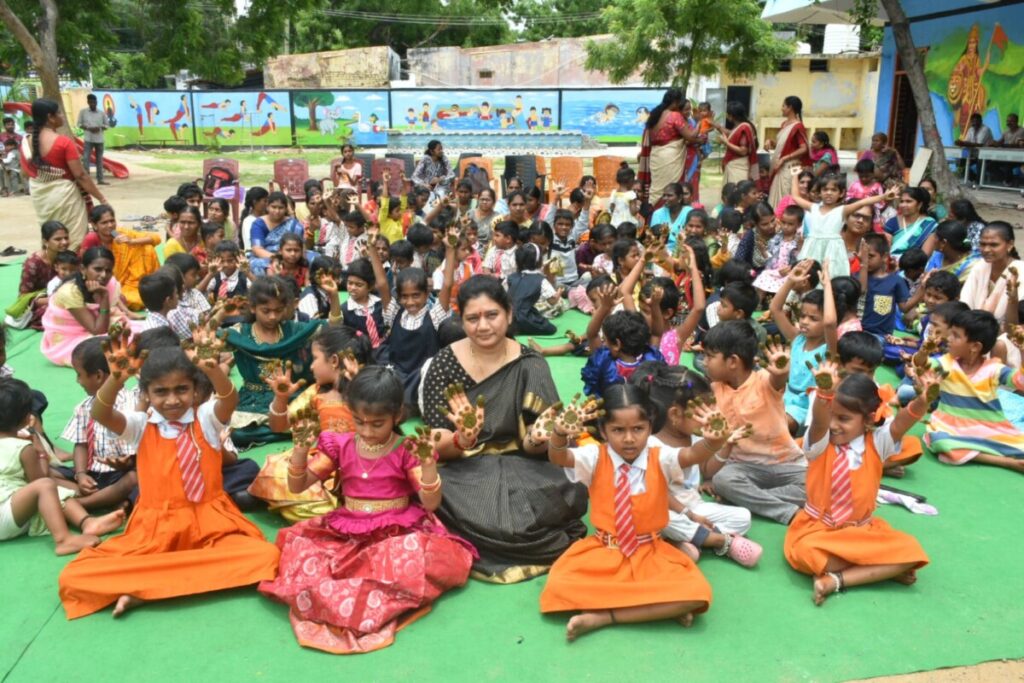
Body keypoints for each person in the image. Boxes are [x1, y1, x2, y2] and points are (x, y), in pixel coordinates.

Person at [57, 328, 280, 619]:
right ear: (146, 394)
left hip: (211, 525)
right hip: (153, 531)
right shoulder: (140, 424)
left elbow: (229, 400)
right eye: (161, 392)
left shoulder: (205, 417)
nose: (172, 400)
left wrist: (211, 369)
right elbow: (101, 413)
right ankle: (161, 584)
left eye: (181, 390)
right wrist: (115, 380)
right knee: (74, 576)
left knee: (266, 557)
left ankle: (144, 587)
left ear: (194, 390)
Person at [258, 367, 477, 654]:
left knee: (410, 554)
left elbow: (430, 504)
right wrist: (300, 450)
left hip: (396, 530)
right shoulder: (340, 444)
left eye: (377, 424)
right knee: (303, 551)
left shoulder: (406, 448)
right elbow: (298, 486)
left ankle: (352, 601)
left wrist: (427, 466)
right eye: (359, 421)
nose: (366, 431)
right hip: (348, 528)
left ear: (397, 416)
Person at [421, 276, 587, 583]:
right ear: (462, 321)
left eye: (492, 315)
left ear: (509, 314)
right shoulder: (444, 363)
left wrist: (538, 436)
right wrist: (462, 438)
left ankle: (493, 535)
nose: (483, 326)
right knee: (434, 491)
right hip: (464, 468)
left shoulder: (531, 363)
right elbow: (434, 439)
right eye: (472, 318)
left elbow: (542, 446)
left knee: (569, 486)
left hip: (525, 464)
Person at [538, 387, 731, 641]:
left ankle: (605, 616)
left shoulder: (661, 457)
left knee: (697, 594)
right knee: (559, 584)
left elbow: (692, 454)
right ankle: (657, 608)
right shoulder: (595, 456)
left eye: (638, 429)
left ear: (650, 428)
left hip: (650, 552)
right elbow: (559, 457)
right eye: (618, 430)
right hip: (604, 551)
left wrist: (714, 441)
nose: (629, 438)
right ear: (604, 430)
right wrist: (560, 433)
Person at [785, 362, 933, 606]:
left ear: (867, 420)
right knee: (806, 553)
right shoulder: (820, 445)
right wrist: (824, 395)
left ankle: (836, 580)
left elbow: (902, 423)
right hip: (817, 530)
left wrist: (923, 399)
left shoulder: (877, 443)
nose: (834, 424)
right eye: (832, 414)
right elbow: (821, 424)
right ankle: (881, 567)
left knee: (912, 549)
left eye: (843, 418)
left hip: (862, 532)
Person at [632, 366, 762, 565]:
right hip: (665, 509)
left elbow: (706, 470)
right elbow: (656, 494)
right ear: (675, 414)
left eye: (712, 406)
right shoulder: (651, 446)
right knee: (660, 516)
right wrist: (688, 514)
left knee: (743, 517)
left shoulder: (693, 436)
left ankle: (685, 539)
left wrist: (727, 445)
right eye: (703, 409)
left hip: (694, 507)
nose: (712, 414)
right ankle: (716, 540)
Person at [248, 325, 369, 519]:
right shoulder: (317, 392)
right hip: (322, 467)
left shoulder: (373, 392)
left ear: (334, 361)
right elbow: (279, 426)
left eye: (315, 359)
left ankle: (332, 512)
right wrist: (280, 399)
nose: (311, 366)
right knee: (274, 471)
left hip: (367, 470)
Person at [0, 377, 124, 554]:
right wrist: (39, 449)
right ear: (26, 417)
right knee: (47, 486)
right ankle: (64, 540)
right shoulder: (23, 447)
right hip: (5, 516)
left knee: (55, 490)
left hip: (10, 510)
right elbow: (40, 478)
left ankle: (89, 523)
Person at [702, 321, 806, 524]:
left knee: (819, 485)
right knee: (723, 480)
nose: (704, 362)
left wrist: (782, 371)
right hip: (742, 470)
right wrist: (708, 478)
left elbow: (777, 380)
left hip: (786, 465)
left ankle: (743, 499)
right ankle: (788, 512)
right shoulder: (714, 390)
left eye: (709, 356)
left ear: (733, 361)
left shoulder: (763, 380)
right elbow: (708, 445)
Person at [226, 277, 340, 446]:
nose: (273, 316)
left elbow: (332, 328)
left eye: (278, 310)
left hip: (290, 395)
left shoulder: (293, 329)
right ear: (253, 308)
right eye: (266, 311)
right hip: (253, 399)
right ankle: (286, 430)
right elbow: (206, 345)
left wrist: (335, 297)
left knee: (321, 416)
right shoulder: (238, 333)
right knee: (238, 435)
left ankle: (278, 429)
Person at [921, 310, 1024, 472]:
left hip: (989, 429)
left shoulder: (994, 369)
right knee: (940, 442)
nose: (948, 338)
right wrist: (924, 351)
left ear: (975, 347)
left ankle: (980, 451)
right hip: (950, 426)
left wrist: (1023, 350)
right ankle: (1007, 462)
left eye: (955, 336)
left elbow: (1021, 382)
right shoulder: (945, 363)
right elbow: (921, 365)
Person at [20, 99, 108, 249]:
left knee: (52, 235)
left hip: (41, 197)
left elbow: (24, 173)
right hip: (64, 196)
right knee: (74, 238)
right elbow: (80, 176)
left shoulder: (26, 141)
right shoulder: (63, 142)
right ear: (50, 117)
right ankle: (71, 269)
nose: (62, 116)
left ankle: (54, 268)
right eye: (59, 113)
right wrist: (101, 198)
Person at [41, 247, 136, 366]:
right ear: (83, 269)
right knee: (103, 346)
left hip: (99, 327)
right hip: (67, 340)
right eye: (98, 269)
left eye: (108, 271)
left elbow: (108, 320)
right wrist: (105, 297)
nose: (103, 275)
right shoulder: (70, 292)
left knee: (136, 334)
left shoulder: (110, 283)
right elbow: (98, 330)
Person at [794, 170, 894, 277]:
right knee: (806, 275)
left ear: (841, 193)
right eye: (825, 189)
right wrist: (794, 175)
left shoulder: (842, 210)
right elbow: (795, 196)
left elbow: (863, 202)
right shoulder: (813, 207)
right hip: (812, 248)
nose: (829, 192)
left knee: (831, 275)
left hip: (832, 251)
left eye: (833, 190)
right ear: (819, 192)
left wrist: (883, 197)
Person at [80, 204, 160, 311]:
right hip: (103, 282)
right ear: (94, 225)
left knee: (147, 248)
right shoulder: (91, 239)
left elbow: (156, 238)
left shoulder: (121, 234)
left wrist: (131, 241)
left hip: (129, 283)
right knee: (123, 298)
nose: (110, 225)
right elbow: (84, 265)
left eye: (112, 221)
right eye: (104, 223)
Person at [637, 89, 705, 210]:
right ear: (676, 102)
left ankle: (653, 216)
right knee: (671, 189)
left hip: (656, 157)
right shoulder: (675, 115)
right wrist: (700, 122)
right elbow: (691, 135)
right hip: (670, 158)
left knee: (657, 190)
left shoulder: (655, 114)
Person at [9, 221, 70, 330]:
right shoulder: (33, 264)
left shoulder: (67, 257)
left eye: (66, 238)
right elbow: (24, 297)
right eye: (58, 239)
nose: (64, 242)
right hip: (43, 304)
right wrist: (53, 299)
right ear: (45, 242)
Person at [960, 222, 1024, 323]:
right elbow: (965, 302)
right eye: (982, 244)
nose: (986, 249)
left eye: (994, 245)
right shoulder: (980, 266)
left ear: (1010, 245)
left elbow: (1017, 316)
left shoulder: (1020, 271)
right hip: (972, 327)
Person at [765, 96, 810, 208]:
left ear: (790, 108)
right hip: (780, 165)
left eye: (784, 106)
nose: (782, 108)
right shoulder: (784, 124)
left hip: (791, 167)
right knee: (774, 198)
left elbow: (803, 148)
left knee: (786, 198)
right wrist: (770, 142)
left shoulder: (797, 126)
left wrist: (784, 158)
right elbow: (783, 145)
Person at [249, 192, 304, 275]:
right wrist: (277, 258)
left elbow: (300, 246)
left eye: (281, 208)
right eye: (273, 207)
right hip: (267, 257)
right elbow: (257, 249)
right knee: (257, 266)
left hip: (292, 255)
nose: (277, 211)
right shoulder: (259, 224)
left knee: (315, 259)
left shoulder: (293, 224)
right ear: (267, 207)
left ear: (286, 209)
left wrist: (289, 256)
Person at [884, 187, 939, 259]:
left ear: (919, 205)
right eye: (901, 201)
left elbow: (925, 254)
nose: (903, 205)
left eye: (908, 201)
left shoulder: (929, 225)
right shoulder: (892, 222)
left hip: (916, 266)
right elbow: (885, 251)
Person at [714, 101, 759, 185]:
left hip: (739, 167)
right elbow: (731, 134)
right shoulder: (739, 126)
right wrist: (718, 127)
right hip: (734, 166)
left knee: (737, 193)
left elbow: (743, 151)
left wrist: (726, 143)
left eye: (728, 114)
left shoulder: (744, 127)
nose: (727, 116)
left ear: (732, 115)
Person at [77, 94, 108, 186]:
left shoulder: (101, 113)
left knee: (99, 159)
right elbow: (79, 124)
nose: (92, 104)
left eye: (94, 102)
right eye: (90, 102)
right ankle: (87, 180)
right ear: (88, 102)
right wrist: (88, 128)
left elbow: (107, 125)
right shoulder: (83, 112)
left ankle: (100, 179)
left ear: (96, 102)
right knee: (86, 158)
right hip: (88, 139)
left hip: (99, 139)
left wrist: (99, 128)